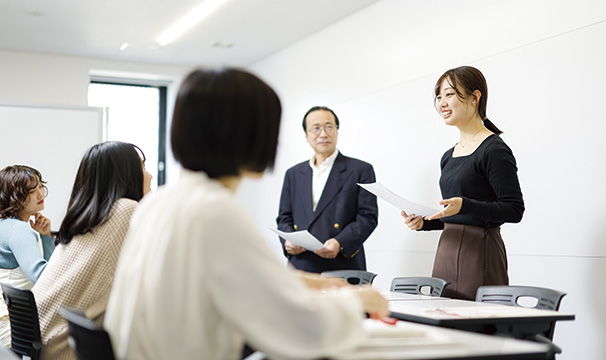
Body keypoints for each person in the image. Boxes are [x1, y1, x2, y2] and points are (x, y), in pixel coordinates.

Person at [104, 68, 388, 360]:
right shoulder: (214, 212)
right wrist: (355, 302)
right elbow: (301, 329)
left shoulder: (157, 204)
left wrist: (299, 281)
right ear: (251, 137)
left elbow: (230, 278)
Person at [401, 66, 525, 300]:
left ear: (474, 98)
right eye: (438, 97)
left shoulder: (494, 149)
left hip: (480, 252)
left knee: (475, 328)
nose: (442, 103)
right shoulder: (448, 156)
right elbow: (456, 214)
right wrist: (424, 223)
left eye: (449, 94)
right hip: (446, 250)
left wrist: (465, 205)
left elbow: (514, 209)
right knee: (443, 326)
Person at [31, 141, 152, 360]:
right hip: (66, 350)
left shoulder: (84, 220)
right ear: (126, 175)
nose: (150, 176)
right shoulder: (126, 210)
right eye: (142, 168)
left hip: (44, 344)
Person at [276, 106, 378, 273]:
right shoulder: (293, 174)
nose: (323, 134)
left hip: (343, 265)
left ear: (337, 131)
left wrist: (340, 243)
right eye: (316, 128)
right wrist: (287, 241)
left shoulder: (360, 170)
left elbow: (368, 217)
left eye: (329, 126)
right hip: (301, 265)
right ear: (306, 135)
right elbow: (284, 218)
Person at [0, 165, 55, 346]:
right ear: (14, 196)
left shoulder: (6, 225)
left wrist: (46, 237)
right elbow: (42, 276)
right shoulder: (20, 229)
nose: (40, 194)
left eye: (40, 186)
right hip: (13, 327)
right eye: (31, 190)